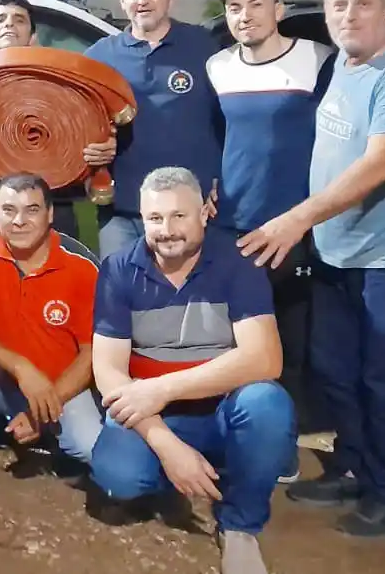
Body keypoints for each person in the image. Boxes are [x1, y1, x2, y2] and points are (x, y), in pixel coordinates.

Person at [238, 0, 385, 539]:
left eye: (363, 4)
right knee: (337, 371)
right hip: (340, 251)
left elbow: (379, 164)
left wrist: (296, 219)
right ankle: (355, 467)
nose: (348, 16)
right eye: (339, 5)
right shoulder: (344, 63)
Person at [89, 166, 294, 574]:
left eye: (179, 216)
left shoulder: (238, 262)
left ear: (203, 214)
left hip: (221, 407)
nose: (167, 230)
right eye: (155, 218)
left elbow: (265, 359)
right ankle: (198, 470)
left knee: (267, 405)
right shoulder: (118, 269)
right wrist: (168, 446)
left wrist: (161, 389)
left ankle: (240, 525)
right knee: (118, 477)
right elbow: (108, 371)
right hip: (156, 415)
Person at [205, 0, 333, 431]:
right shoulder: (217, 66)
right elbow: (212, 136)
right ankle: (234, 432)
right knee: (233, 340)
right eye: (235, 8)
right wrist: (208, 183)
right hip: (232, 228)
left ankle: (285, 440)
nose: (246, 15)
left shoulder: (318, 59)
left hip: (294, 226)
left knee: (292, 343)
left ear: (278, 11)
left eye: (257, 4)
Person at [0, 173, 104, 476]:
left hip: (59, 388)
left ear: (50, 214)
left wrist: (42, 411)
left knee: (92, 448)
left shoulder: (83, 265)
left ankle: (46, 435)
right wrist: (20, 367)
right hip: (0, 378)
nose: (19, 221)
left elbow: (92, 353)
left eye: (31, 210)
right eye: (8, 210)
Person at [0, 0, 109, 240]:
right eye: (0, 19)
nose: (9, 23)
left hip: (56, 207)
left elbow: (94, 131)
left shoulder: (61, 82)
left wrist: (102, 145)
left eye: (19, 19)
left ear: (33, 37)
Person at [84, 0, 223, 257]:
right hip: (121, 214)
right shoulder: (99, 57)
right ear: (122, 0)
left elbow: (231, 121)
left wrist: (220, 180)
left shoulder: (204, 48)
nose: (143, 0)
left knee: (187, 288)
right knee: (121, 287)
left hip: (188, 214)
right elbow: (74, 123)